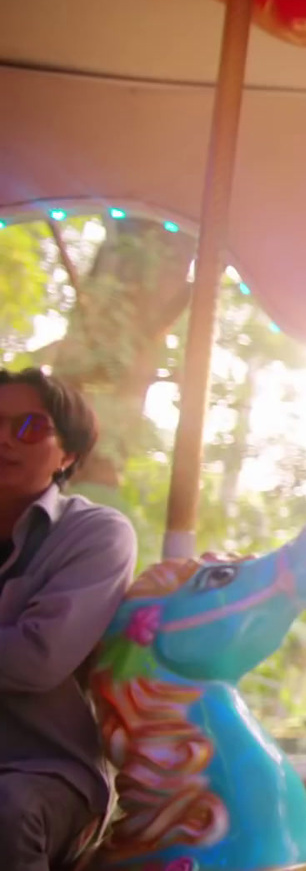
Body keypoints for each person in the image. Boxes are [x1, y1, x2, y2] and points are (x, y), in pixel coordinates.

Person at [0, 368, 137, 870]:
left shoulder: (95, 534)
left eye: (28, 428)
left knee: (7, 812)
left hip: (44, 773)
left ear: (69, 454)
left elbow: (37, 660)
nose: (2, 439)